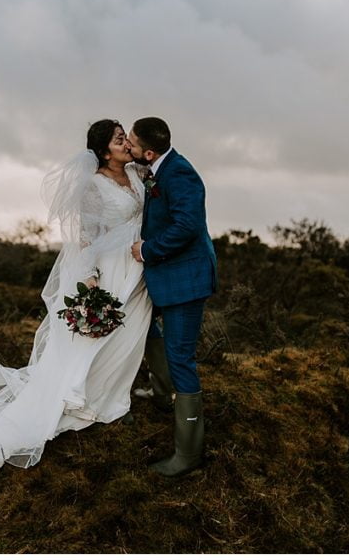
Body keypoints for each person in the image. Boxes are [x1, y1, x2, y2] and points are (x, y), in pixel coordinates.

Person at [0, 120, 152, 475]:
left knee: (130, 335)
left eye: (125, 137)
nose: (125, 142)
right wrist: (91, 285)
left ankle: (113, 396)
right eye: (119, 139)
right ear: (103, 150)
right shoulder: (92, 185)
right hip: (110, 270)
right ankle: (82, 400)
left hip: (137, 267)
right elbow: (84, 237)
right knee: (99, 338)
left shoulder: (137, 173)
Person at [129, 116, 217, 477]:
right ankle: (162, 394)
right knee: (144, 326)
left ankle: (187, 454)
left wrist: (147, 250)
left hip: (186, 279)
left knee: (181, 357)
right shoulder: (156, 167)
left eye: (132, 144)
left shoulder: (180, 174)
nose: (129, 148)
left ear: (149, 151)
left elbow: (187, 226)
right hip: (166, 276)